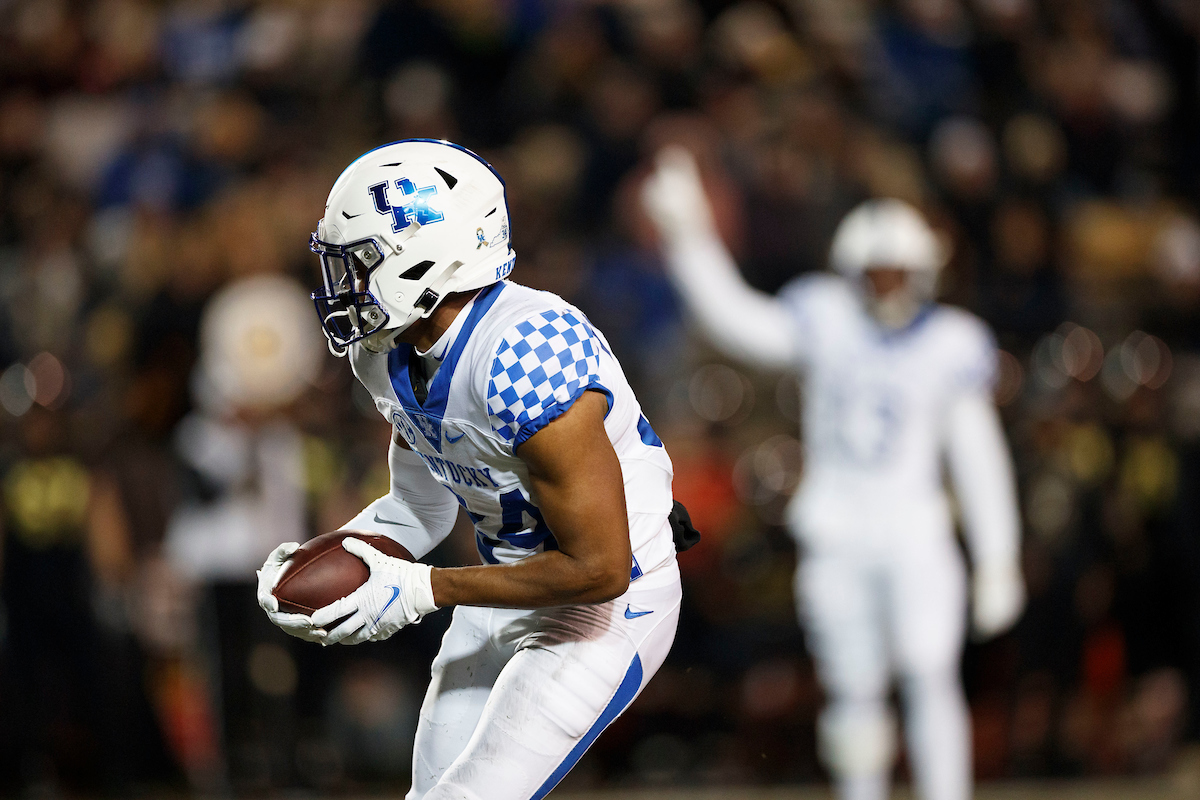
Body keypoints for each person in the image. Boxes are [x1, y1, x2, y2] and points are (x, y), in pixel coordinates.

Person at [255, 139, 684, 800]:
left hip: (609, 604)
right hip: (500, 588)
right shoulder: (385, 352)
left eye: (361, 262)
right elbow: (419, 507)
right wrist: (341, 556)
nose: (343, 286)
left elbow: (597, 568)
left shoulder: (526, 354)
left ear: (423, 257)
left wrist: (420, 590)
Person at [642, 147, 1024, 800]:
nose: (885, 286)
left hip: (915, 532)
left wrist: (998, 556)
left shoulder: (950, 344)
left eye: (896, 273)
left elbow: (978, 457)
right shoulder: (827, 318)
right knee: (852, 687)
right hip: (840, 530)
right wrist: (690, 238)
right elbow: (735, 321)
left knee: (930, 674)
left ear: (923, 272)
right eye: (874, 274)